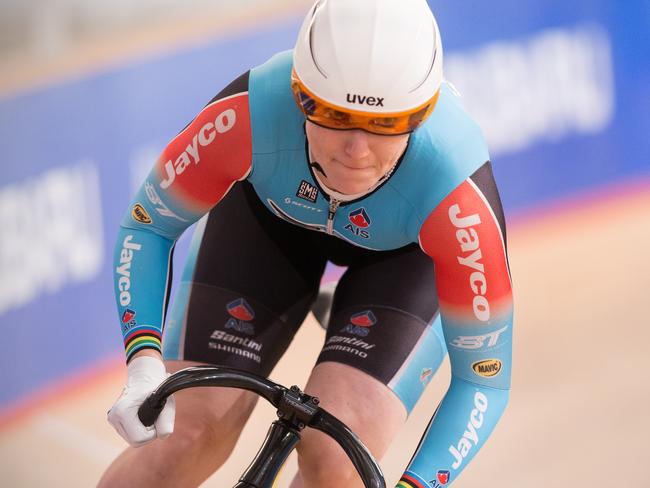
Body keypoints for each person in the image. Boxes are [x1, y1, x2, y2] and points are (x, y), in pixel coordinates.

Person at [100, 0, 513, 486]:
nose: (356, 149)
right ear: (300, 95)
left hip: (403, 262)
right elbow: (148, 226)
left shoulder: (457, 195)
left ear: (422, 115)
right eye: (335, 116)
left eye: (386, 124)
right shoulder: (250, 113)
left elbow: (481, 380)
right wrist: (143, 358)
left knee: (335, 456)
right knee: (187, 433)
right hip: (269, 227)